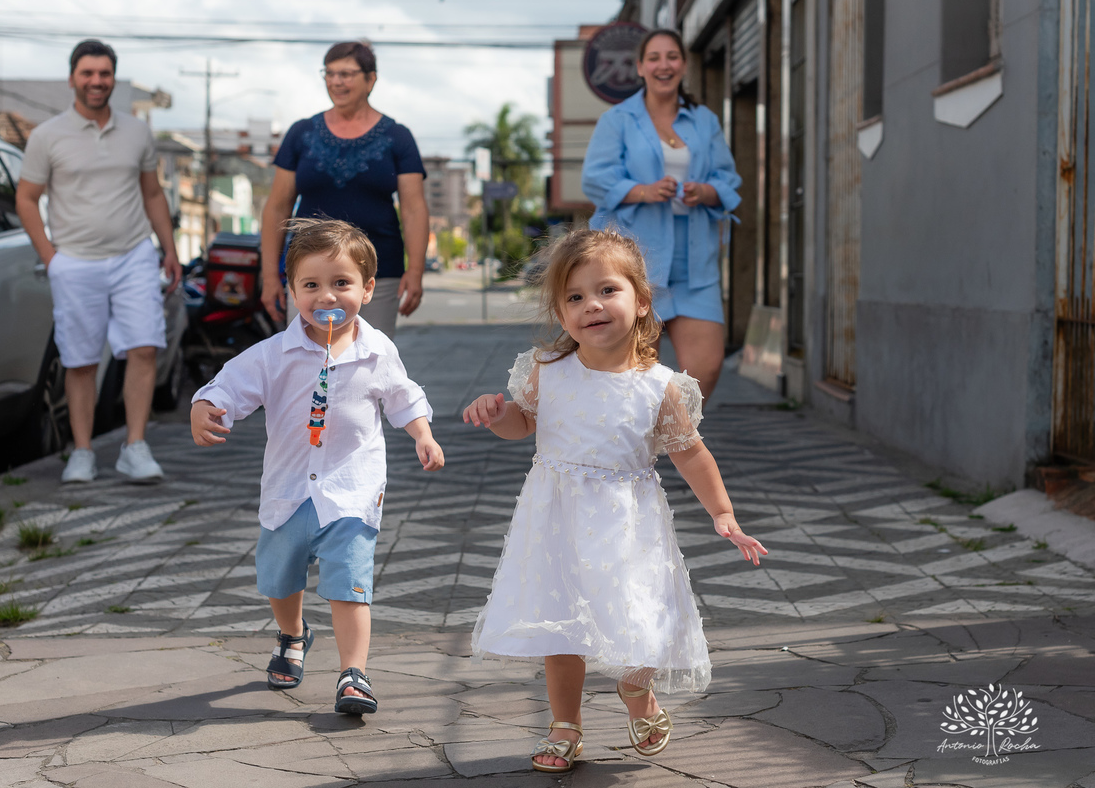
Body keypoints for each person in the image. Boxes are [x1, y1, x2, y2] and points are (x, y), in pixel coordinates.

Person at [463, 229, 766, 773]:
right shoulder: (546, 370)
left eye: (607, 290)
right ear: (560, 312)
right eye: (575, 297)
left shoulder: (659, 385)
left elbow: (691, 453)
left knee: (635, 614)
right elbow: (522, 422)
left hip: (628, 524)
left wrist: (723, 513)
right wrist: (497, 413)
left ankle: (638, 691)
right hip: (555, 519)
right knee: (560, 623)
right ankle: (565, 724)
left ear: (641, 301)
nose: (592, 305)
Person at [191, 218, 444, 713]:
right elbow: (229, 385)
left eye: (341, 283)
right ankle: (293, 634)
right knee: (280, 580)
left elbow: (404, 396)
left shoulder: (377, 351)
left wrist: (423, 434)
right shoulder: (273, 354)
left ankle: (354, 674)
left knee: (350, 584)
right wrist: (207, 407)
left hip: (351, 490)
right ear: (292, 292)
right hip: (287, 490)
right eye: (311, 285)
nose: (326, 296)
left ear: (367, 289)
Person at [16, 38, 181, 484]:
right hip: (74, 261)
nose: (96, 81)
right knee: (81, 360)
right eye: (87, 73)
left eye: (104, 73)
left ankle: (135, 446)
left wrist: (168, 248)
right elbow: (26, 199)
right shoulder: (47, 135)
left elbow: (152, 193)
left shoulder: (137, 132)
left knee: (144, 346)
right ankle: (83, 452)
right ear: (72, 78)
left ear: (113, 78)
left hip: (134, 255)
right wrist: (50, 257)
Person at [582, 28, 742, 400]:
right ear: (640, 67)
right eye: (653, 58)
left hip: (695, 264)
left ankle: (673, 434)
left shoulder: (704, 120)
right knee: (629, 377)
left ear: (683, 65)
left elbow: (727, 178)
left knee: (704, 371)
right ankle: (638, 436)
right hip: (635, 264)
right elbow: (595, 179)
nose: (663, 65)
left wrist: (704, 191)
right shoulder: (618, 119)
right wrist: (645, 191)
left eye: (672, 56)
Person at [260, 41, 429, 338]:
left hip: (376, 275)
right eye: (330, 73)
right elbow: (277, 207)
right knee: (305, 357)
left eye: (346, 74)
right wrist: (270, 274)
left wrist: (415, 271)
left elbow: (414, 209)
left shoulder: (398, 137)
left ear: (370, 79)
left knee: (370, 358)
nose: (336, 81)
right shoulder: (301, 133)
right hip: (307, 275)